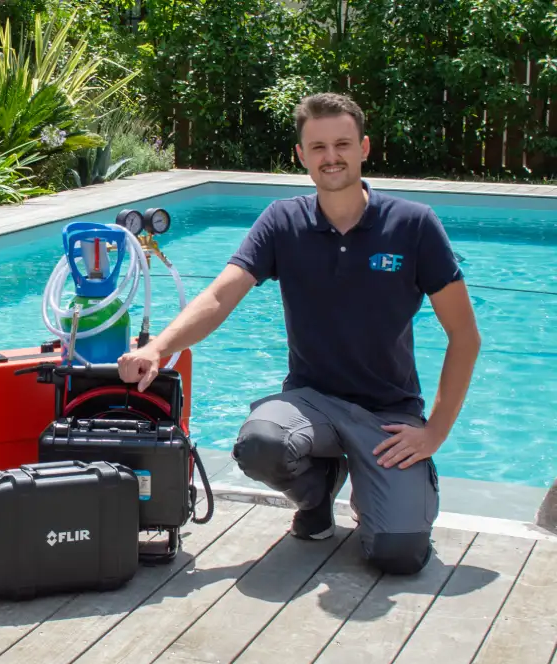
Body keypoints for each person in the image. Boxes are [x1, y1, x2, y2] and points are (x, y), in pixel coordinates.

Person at [116, 92, 480, 575]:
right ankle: (317, 494)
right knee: (260, 443)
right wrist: (159, 347)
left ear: (365, 147)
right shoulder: (283, 221)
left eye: (343, 144)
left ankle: (386, 493)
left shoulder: (413, 225)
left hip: (388, 415)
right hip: (310, 403)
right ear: (301, 156)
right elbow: (221, 295)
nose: (332, 157)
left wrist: (435, 431)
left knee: (399, 555)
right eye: (319, 147)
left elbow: (465, 336)